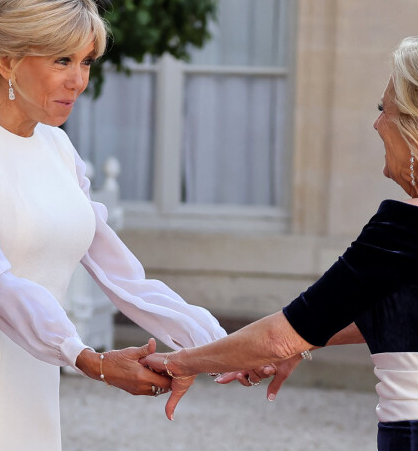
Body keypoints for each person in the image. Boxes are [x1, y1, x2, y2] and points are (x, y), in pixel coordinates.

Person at [0, 0, 226, 450]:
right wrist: (88, 359)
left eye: (86, 62)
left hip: (37, 381)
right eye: (62, 60)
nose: (79, 81)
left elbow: (127, 280)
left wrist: (223, 349)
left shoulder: (58, 147)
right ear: (9, 60)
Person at [143, 36, 418, 450]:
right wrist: (308, 339)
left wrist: (179, 362)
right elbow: (402, 314)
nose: (376, 123)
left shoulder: (401, 231)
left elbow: (278, 338)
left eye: (384, 110)